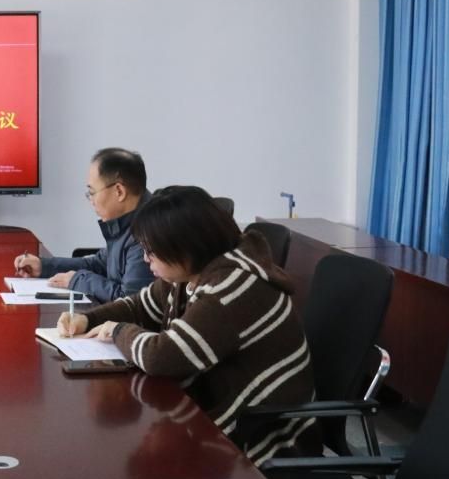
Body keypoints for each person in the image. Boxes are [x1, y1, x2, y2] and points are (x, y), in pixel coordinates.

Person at [56, 185, 317, 464]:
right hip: (222, 417)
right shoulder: (192, 272)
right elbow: (141, 305)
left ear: (183, 248)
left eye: (151, 251)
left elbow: (162, 356)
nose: (145, 259)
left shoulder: (233, 287)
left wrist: (118, 330)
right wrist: (89, 319)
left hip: (264, 441)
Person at [14, 147, 154, 303]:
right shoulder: (126, 221)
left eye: (92, 192)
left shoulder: (148, 231)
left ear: (119, 191)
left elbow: (130, 301)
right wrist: (44, 266)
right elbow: (99, 264)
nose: (91, 200)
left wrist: (78, 280)